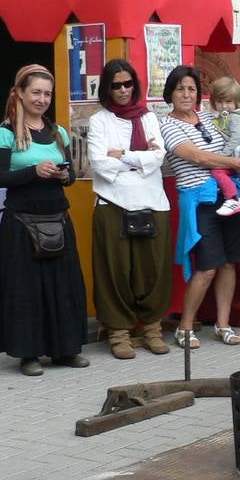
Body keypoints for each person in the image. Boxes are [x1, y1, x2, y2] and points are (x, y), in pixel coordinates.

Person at [0, 64, 89, 376]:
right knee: (26, 289)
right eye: (36, 92)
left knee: (62, 286)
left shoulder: (59, 132)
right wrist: (34, 171)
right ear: (19, 93)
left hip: (57, 218)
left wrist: (62, 174)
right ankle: (28, 354)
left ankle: (65, 349)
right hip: (21, 223)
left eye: (47, 93)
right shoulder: (4, 134)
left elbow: (71, 175)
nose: (42, 99)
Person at [159, 64, 240, 350]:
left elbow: (230, 145)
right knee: (207, 266)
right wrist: (234, 163)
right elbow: (198, 157)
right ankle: (185, 326)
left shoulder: (208, 117)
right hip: (199, 199)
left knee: (228, 262)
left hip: (228, 195)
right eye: (180, 89)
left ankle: (223, 324)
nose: (186, 94)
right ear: (170, 93)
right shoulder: (168, 125)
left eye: (191, 88)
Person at [87, 59, 172, 360]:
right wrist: (140, 158)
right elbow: (99, 163)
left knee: (153, 271)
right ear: (107, 89)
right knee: (115, 271)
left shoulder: (148, 118)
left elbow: (158, 157)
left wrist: (121, 154)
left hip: (152, 200)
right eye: (116, 85)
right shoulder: (100, 121)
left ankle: (151, 328)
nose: (123, 90)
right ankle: (119, 332)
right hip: (113, 202)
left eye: (128, 83)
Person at [205, 77, 240, 217]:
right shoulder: (227, 116)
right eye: (220, 102)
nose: (224, 106)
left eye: (228, 102)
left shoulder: (236, 117)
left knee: (217, 172)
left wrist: (222, 155)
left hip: (237, 153)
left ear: (237, 102)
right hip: (236, 154)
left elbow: (236, 138)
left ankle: (232, 198)